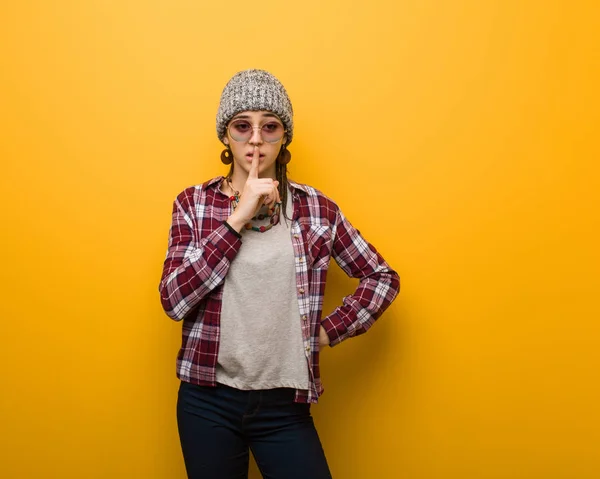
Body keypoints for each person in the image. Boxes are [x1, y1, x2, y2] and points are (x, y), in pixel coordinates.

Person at [158, 69, 400, 479]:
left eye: (269, 127)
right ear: (225, 136)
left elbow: (381, 276)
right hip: (207, 400)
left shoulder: (317, 209)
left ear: (284, 137)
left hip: (284, 405)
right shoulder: (194, 204)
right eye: (242, 126)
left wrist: (327, 331)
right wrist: (237, 218)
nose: (255, 139)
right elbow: (173, 300)